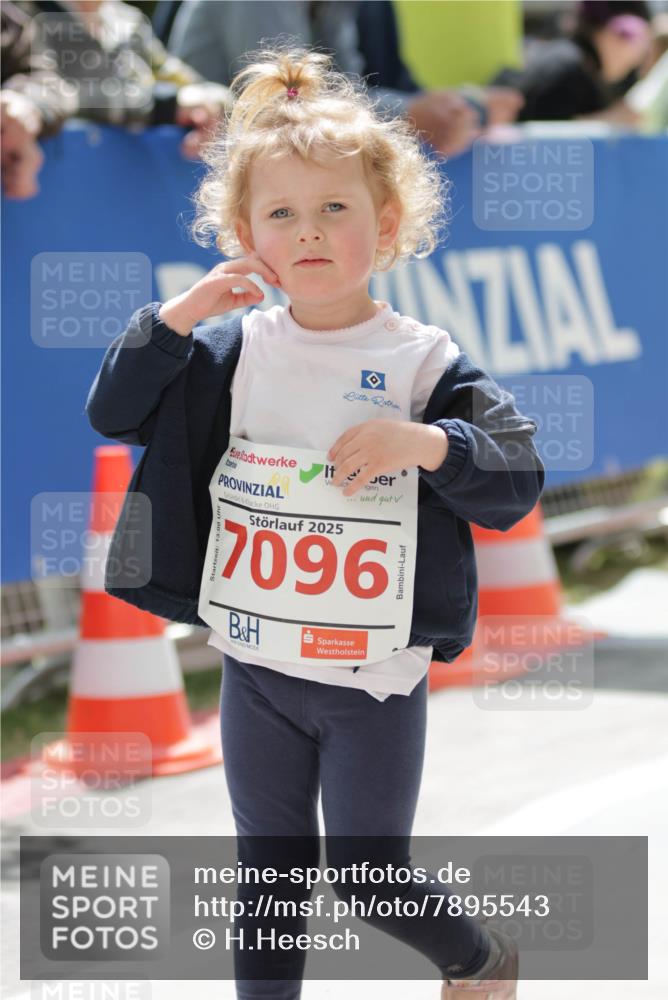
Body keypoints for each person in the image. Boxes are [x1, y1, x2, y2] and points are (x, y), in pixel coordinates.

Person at [86, 45, 544, 1000]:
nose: (309, 232)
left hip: (369, 675)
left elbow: (515, 475)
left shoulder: (425, 361)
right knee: (269, 878)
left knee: (366, 876)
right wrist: (177, 316)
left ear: (387, 226)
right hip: (256, 659)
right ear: (246, 230)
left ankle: (476, 958)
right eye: (282, 213)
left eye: (336, 209)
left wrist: (426, 445)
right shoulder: (225, 345)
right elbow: (114, 414)